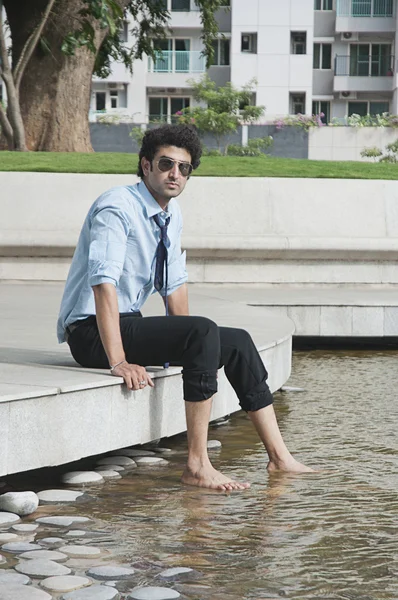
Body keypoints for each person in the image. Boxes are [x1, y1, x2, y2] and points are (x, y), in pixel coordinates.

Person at [57, 124, 313, 491]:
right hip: (89, 332)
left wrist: (192, 348)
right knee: (202, 330)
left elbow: (175, 292)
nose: (174, 174)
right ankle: (197, 464)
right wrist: (118, 361)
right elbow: (103, 285)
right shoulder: (117, 206)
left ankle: (280, 458)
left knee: (236, 340)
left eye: (184, 167)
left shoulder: (171, 215)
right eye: (165, 164)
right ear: (145, 165)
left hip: (127, 323)